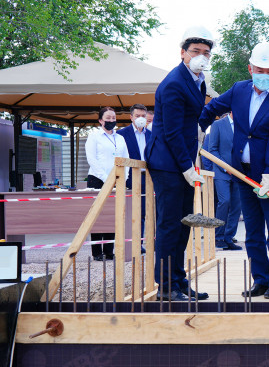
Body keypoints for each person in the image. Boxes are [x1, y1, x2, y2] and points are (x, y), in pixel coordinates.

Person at [199, 41, 269, 299]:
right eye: (260, 70)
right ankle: (260, 280)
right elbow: (212, 109)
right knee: (253, 232)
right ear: (250, 68)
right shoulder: (239, 90)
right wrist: (198, 129)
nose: (264, 75)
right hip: (244, 174)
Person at [144, 26, 212, 301]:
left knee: (184, 223)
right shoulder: (174, 82)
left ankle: (178, 280)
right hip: (167, 162)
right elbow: (171, 132)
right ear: (183, 52)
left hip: (182, 160)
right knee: (170, 225)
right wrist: (187, 167)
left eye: (206, 52)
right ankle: (165, 286)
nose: (201, 56)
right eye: (195, 51)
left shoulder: (198, 81)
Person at [85, 106, 129, 261]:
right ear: (100, 120)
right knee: (97, 216)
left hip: (117, 180)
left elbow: (126, 159)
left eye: (113, 118)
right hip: (97, 179)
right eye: (108, 118)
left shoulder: (120, 138)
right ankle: (97, 252)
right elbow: (92, 159)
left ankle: (109, 251)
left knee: (112, 215)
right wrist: (106, 178)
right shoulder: (94, 136)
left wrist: (124, 177)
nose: (111, 120)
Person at [117, 103, 151, 253]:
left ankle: (144, 242)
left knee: (147, 211)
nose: (140, 118)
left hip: (148, 177)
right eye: (137, 116)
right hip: (130, 177)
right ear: (131, 117)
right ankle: (133, 243)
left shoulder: (151, 135)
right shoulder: (121, 134)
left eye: (143, 116)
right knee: (133, 211)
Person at [207, 112, 243, 251]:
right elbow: (212, 149)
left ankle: (229, 237)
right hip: (222, 172)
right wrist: (225, 167)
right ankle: (219, 236)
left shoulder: (243, 124)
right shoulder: (218, 125)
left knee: (236, 206)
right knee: (225, 201)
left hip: (239, 172)